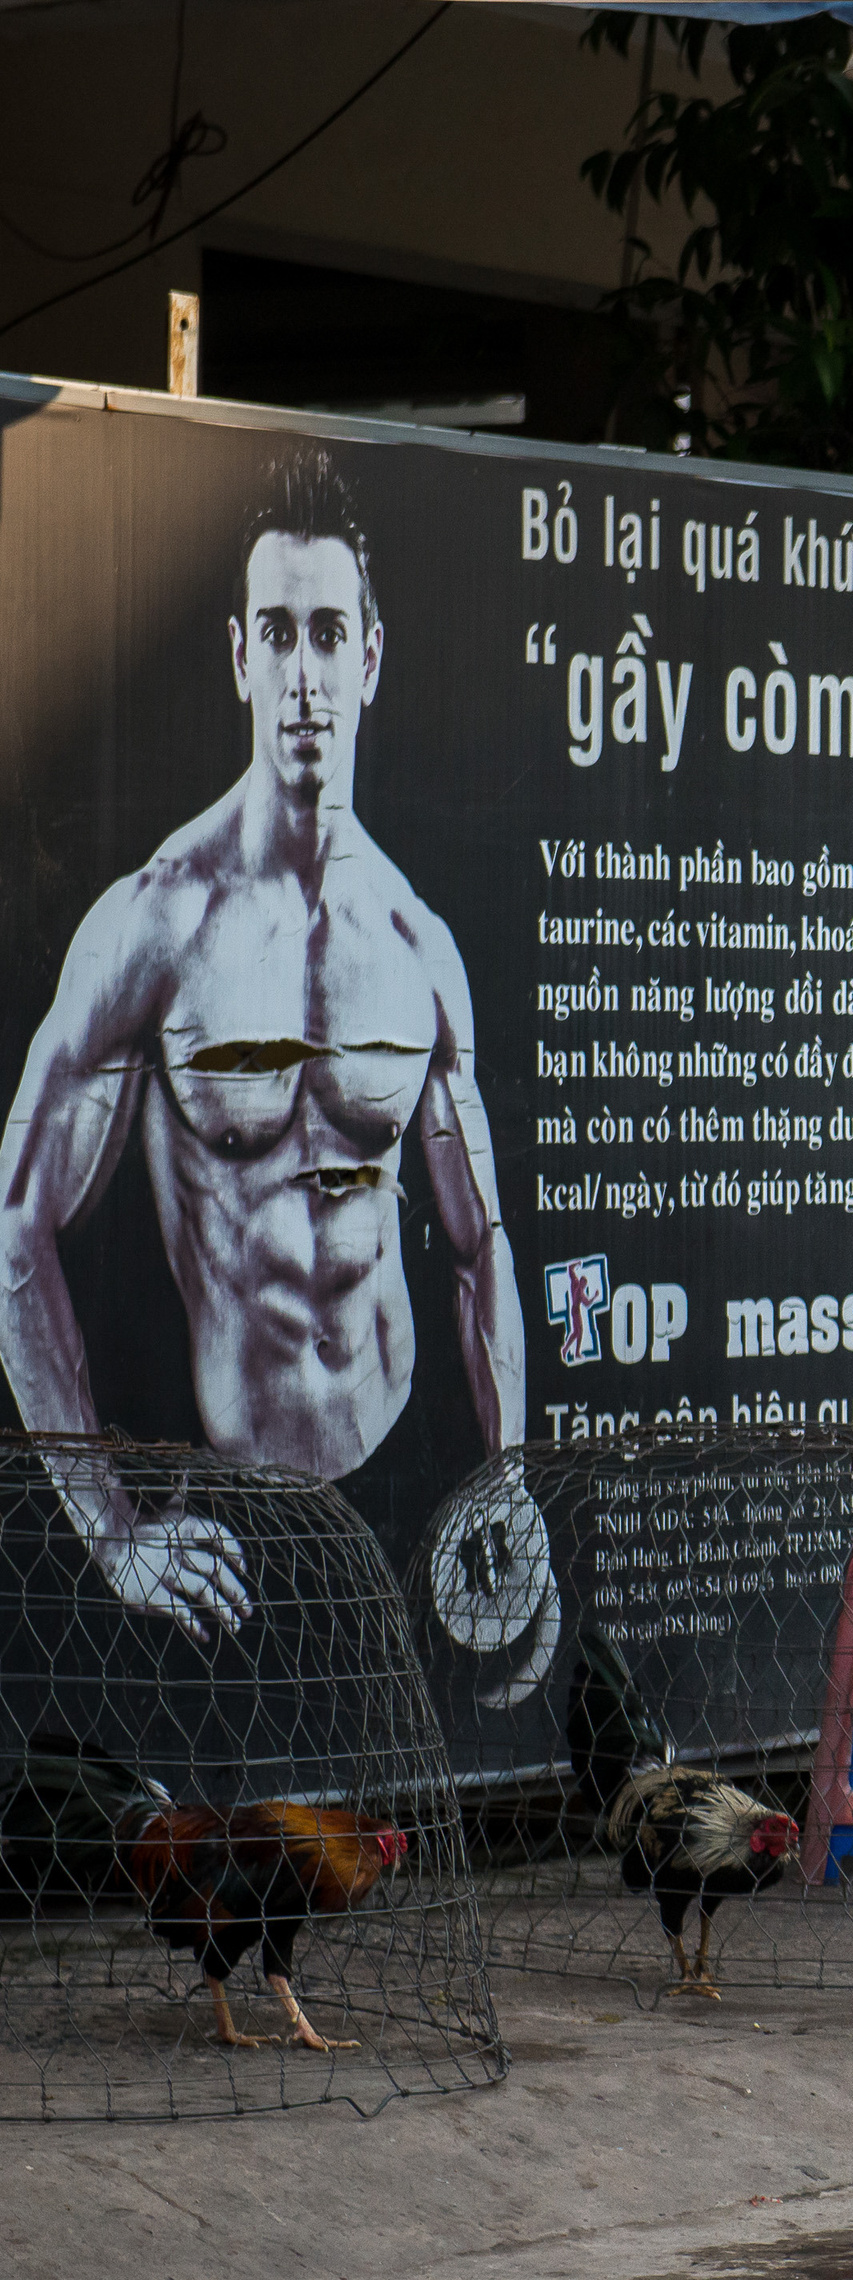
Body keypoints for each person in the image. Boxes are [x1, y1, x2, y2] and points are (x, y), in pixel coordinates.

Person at [0, 443, 522, 1639]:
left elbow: (481, 1235)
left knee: (411, 1821)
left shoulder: (418, 944)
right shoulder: (156, 922)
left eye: (329, 633)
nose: (304, 679)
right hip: (229, 1500)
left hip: (408, 1466)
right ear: (240, 653)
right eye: (277, 633)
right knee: (248, 1828)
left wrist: (511, 1477)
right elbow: (15, 1222)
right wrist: (113, 1530)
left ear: (370, 657)